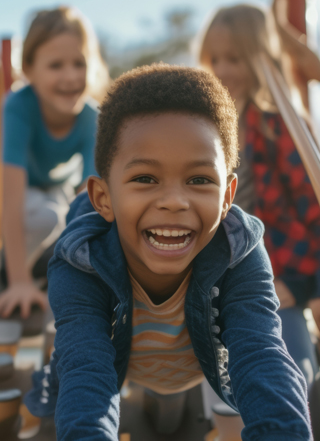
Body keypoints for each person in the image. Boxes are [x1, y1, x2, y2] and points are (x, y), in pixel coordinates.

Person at [24, 64, 312, 440]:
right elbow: (86, 370)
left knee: (183, 418)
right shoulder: (81, 261)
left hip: (196, 368)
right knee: (68, 402)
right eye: (145, 178)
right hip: (114, 367)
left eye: (199, 180)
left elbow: (261, 355)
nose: (174, 201)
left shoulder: (238, 252)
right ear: (103, 199)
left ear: (227, 198)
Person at [199, 3, 320, 398]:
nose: (222, 69)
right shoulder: (207, 126)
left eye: (234, 58)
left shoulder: (275, 123)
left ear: (260, 59)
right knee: (221, 376)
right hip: (222, 274)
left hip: (280, 277)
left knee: (294, 377)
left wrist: (305, 285)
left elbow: (312, 206)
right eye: (214, 58)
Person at [0, 7, 109, 319]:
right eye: (56, 65)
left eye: (79, 63)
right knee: (47, 217)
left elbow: (91, 197)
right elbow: (11, 196)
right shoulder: (19, 106)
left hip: (56, 187)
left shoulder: (92, 117)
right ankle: (13, 276)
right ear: (29, 70)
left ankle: (48, 276)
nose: (70, 76)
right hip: (14, 189)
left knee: (69, 217)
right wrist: (18, 281)